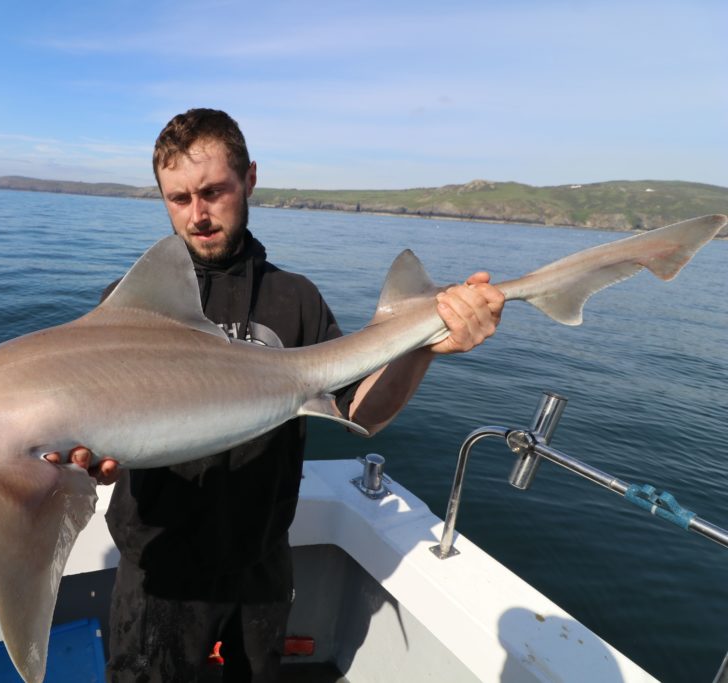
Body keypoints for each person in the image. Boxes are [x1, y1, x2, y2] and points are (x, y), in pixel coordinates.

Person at [49, 108, 505, 682]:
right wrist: (85, 461)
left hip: (261, 561)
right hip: (160, 566)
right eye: (179, 198)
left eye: (214, 191)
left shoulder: (296, 299)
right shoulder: (129, 307)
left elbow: (360, 414)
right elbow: (89, 429)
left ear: (250, 180)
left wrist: (419, 348)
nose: (198, 215)